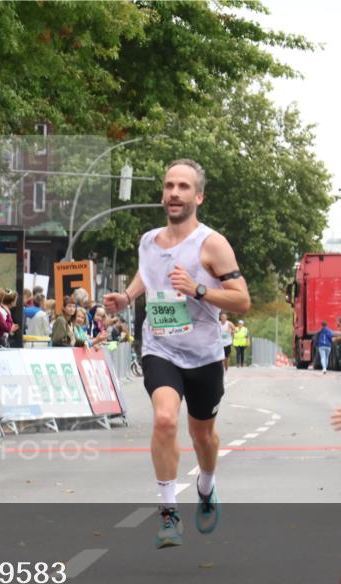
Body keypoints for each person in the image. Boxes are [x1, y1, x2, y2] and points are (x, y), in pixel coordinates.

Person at [103, 159, 250, 548]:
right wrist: (127, 296)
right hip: (160, 348)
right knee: (165, 420)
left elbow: (243, 300)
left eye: (183, 187)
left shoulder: (212, 244)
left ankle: (206, 484)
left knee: (204, 436)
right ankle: (168, 512)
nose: (174, 193)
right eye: (169, 186)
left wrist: (199, 290)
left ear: (198, 196)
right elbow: (147, 274)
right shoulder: (149, 240)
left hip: (203, 355)